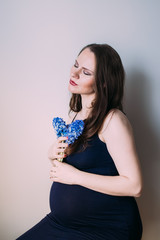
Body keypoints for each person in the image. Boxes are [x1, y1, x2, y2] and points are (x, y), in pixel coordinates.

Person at [16, 43, 143, 240]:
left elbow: (134, 186)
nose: (74, 74)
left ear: (103, 83)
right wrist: (53, 155)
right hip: (63, 223)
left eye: (85, 72)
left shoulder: (113, 120)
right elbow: (72, 171)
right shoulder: (76, 118)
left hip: (105, 229)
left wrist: (76, 176)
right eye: (75, 65)